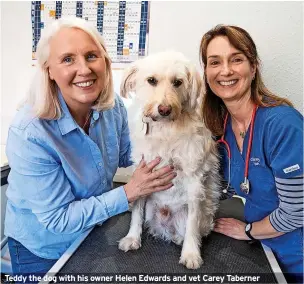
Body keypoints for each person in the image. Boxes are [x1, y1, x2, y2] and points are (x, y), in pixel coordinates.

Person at [4, 16, 176, 281]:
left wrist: (168, 132)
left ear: (105, 62)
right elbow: (58, 219)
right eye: (68, 59)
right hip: (43, 249)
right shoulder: (29, 133)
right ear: (49, 70)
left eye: (91, 55)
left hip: (93, 234)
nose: (84, 69)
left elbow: (127, 155)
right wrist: (130, 192)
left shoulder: (112, 107)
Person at [199, 25, 303, 283]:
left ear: (253, 67)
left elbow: (297, 212)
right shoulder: (221, 129)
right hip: (265, 251)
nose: (225, 71)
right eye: (215, 62)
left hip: (296, 257)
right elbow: (221, 187)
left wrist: (248, 231)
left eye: (236, 59)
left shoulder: (283, 125)